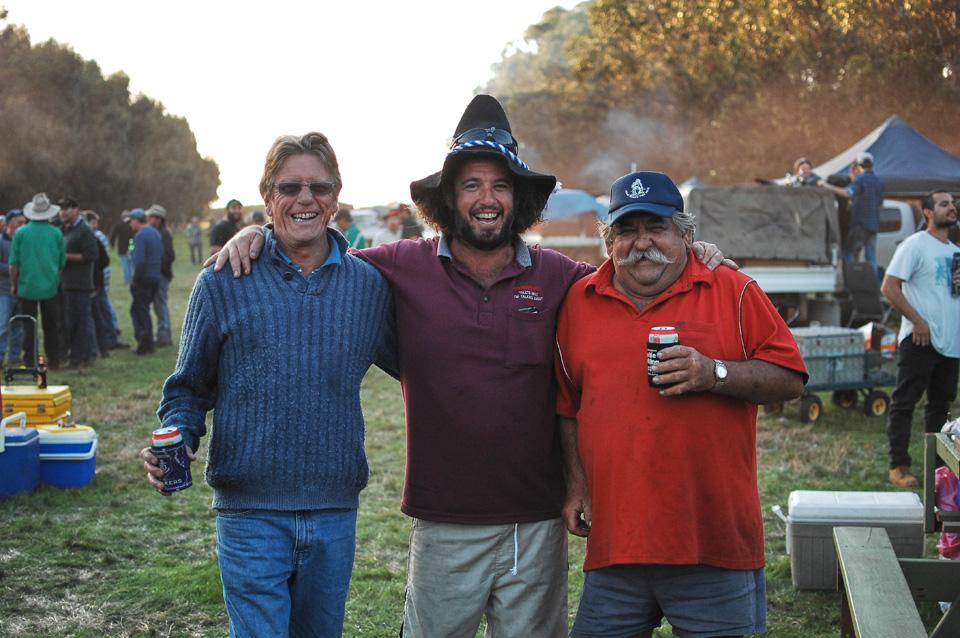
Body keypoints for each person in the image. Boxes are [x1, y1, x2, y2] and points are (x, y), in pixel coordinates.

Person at [211, 95, 728, 637]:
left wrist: (697, 255)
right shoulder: (400, 267)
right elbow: (320, 257)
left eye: (501, 185)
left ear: (518, 197)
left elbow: (634, 274)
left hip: (537, 520)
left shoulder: (560, 276)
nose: (487, 198)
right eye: (471, 185)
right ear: (449, 198)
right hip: (443, 520)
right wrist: (260, 234)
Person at [139, 132, 392, 636]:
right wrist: (179, 437)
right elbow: (188, 388)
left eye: (319, 187)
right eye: (290, 187)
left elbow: (426, 365)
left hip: (334, 510)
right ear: (267, 195)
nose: (305, 199)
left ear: (336, 197)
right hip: (249, 513)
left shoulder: (368, 286)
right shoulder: (222, 280)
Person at [556, 171, 806, 638]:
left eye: (657, 227)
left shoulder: (732, 289)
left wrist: (715, 373)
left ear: (686, 236)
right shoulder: (579, 300)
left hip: (712, 544)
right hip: (616, 544)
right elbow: (567, 405)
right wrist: (575, 484)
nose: (642, 242)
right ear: (609, 241)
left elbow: (790, 378)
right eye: (626, 231)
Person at [881, 191, 960, 488]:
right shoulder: (915, 245)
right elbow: (889, 288)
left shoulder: (954, 250)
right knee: (905, 403)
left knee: (940, 407)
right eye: (944, 204)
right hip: (920, 339)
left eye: (953, 204)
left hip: (950, 342)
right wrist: (918, 321)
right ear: (927, 212)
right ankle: (898, 466)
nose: (952, 207)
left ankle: (938, 471)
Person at [10, 193, 65, 370]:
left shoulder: (21, 233)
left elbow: (14, 264)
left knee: (29, 325)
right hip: (50, 287)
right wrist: (55, 279)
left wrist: (14, 284)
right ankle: (54, 360)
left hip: (26, 286)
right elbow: (61, 263)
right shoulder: (56, 233)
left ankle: (30, 361)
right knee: (51, 326)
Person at [820, 151, 884, 274]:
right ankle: (874, 282)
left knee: (848, 253)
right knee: (871, 256)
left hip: (860, 224)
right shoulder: (878, 182)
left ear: (859, 165)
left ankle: (851, 280)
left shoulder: (860, 179)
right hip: (874, 225)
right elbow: (880, 203)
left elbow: (847, 193)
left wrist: (826, 186)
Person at [58, 197, 100, 368]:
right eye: (61, 209)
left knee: (80, 322)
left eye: (66, 208)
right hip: (67, 282)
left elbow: (91, 255)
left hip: (79, 284)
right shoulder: (65, 229)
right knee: (73, 321)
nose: (63, 212)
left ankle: (82, 357)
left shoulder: (84, 230)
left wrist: (65, 257)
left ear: (75, 209)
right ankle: (80, 355)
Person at [83, 210, 121, 357]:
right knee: (103, 310)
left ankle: (107, 339)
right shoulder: (96, 237)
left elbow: (103, 260)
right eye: (93, 222)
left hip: (96, 281)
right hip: (99, 279)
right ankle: (108, 339)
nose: (95, 225)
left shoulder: (96, 237)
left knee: (100, 311)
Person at [128, 208, 162, 355]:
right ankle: (149, 343)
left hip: (143, 278)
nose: (130, 224)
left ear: (136, 220)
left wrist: (135, 279)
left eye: (131, 221)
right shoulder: (155, 232)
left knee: (138, 311)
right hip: (155, 276)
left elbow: (140, 261)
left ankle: (144, 344)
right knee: (143, 310)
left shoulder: (140, 235)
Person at [146, 205, 175, 347]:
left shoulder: (164, 233)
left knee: (160, 305)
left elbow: (170, 256)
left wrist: (156, 268)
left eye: (152, 217)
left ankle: (164, 337)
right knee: (159, 306)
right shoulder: (155, 232)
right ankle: (163, 335)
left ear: (159, 219)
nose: (149, 219)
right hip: (157, 274)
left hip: (161, 275)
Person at [0, 209, 26, 366]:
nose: (22, 225)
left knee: (19, 326)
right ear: (9, 223)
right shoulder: (1, 241)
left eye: (24, 222)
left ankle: (15, 356)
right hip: (3, 291)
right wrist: (13, 268)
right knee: (2, 325)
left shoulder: (24, 241)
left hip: (22, 291)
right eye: (19, 222)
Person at [109, 211, 135, 285]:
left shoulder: (119, 225)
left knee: (125, 265)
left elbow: (113, 235)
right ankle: (133, 280)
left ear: (122, 217)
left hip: (122, 248)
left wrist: (112, 244)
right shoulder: (133, 224)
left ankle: (127, 280)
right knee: (132, 265)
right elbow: (133, 238)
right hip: (132, 246)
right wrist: (131, 248)